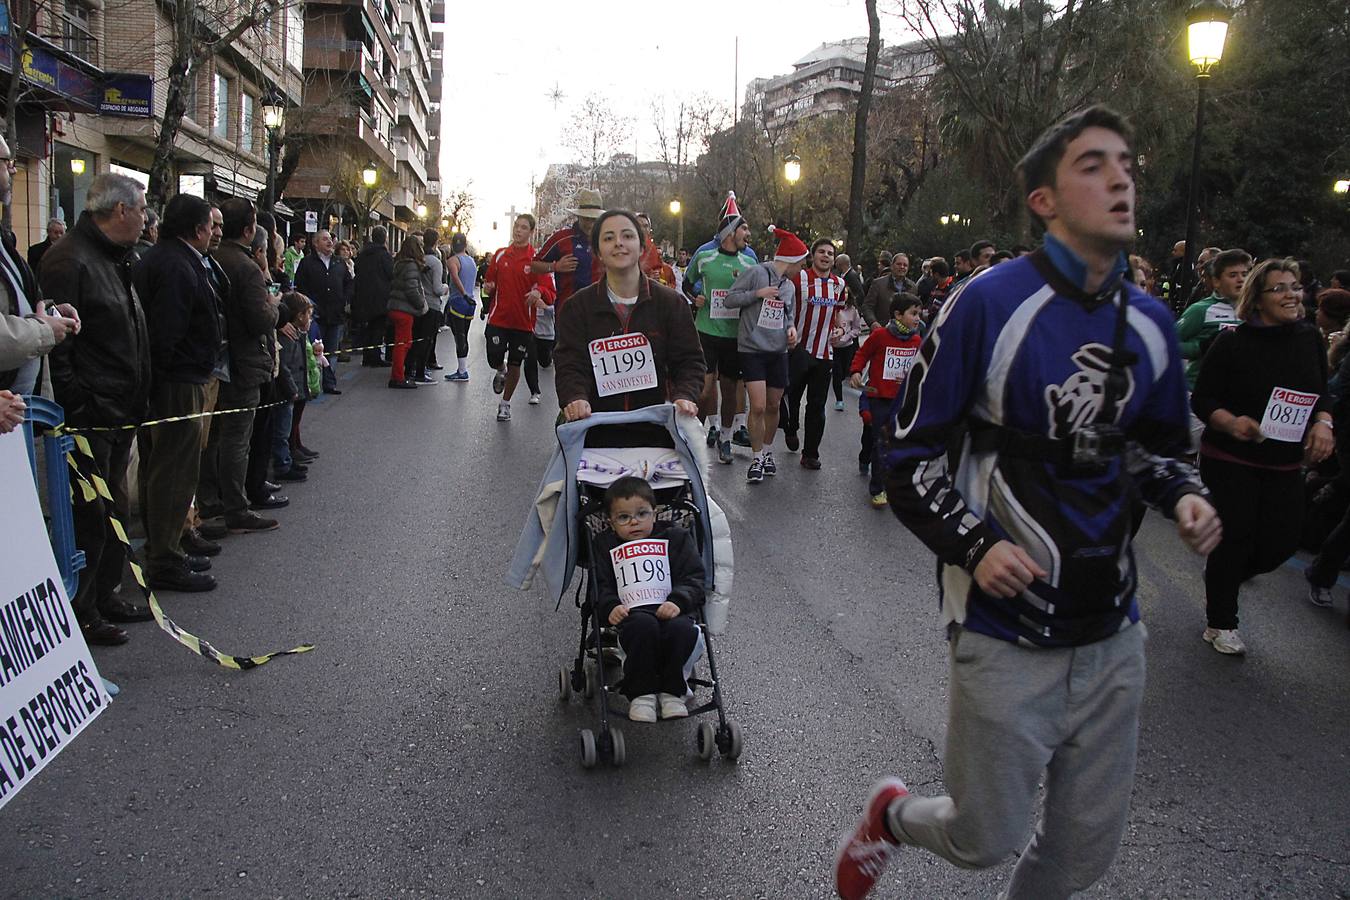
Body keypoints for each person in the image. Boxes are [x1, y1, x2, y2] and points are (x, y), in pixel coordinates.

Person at [834, 105, 1221, 900]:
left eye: (1126, 165)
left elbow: (1158, 448)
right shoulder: (986, 303)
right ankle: (892, 817)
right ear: (1042, 200)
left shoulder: (1148, 322)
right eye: (1093, 166)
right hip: (1001, 621)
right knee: (985, 838)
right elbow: (906, 455)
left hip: (1114, 628)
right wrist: (976, 544)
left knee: (1082, 856)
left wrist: (1184, 494)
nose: (1120, 179)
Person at [1191, 258, 1332, 655]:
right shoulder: (1232, 342)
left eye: (1295, 286)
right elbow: (1204, 399)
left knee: (1281, 543)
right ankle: (1221, 623)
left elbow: (1322, 392)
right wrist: (1233, 423)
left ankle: (1224, 574)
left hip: (1286, 462)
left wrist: (1324, 423)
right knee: (1235, 536)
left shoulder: (1308, 338)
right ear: (1257, 299)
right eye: (1280, 288)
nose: (1291, 295)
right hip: (1231, 457)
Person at [43, 172, 153, 645]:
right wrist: (81, 406)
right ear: (121, 211)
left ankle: (105, 593)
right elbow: (59, 350)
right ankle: (81, 608)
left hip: (120, 408)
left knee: (115, 508)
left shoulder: (114, 258)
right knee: (92, 514)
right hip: (92, 414)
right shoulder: (69, 260)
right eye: (143, 210)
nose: (148, 219)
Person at [131, 192, 225, 594]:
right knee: (172, 470)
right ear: (198, 228)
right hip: (177, 382)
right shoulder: (175, 265)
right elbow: (167, 332)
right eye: (209, 225)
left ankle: (167, 546)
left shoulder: (174, 259)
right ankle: (164, 558)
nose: (212, 233)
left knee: (170, 468)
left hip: (179, 376)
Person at [554, 209, 704, 424]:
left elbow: (690, 361)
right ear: (597, 251)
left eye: (627, 236)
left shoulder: (671, 303)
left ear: (642, 247)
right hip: (595, 432)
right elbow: (569, 363)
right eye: (608, 238)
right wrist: (575, 397)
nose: (618, 243)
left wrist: (685, 396)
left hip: (657, 433)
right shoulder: (577, 307)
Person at [196, 198, 281, 537]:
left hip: (218, 363)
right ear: (249, 231)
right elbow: (261, 318)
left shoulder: (213, 259)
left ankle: (211, 498)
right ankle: (236, 506)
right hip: (242, 362)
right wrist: (276, 307)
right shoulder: (244, 267)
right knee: (235, 438)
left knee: (214, 437)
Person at [592, 476, 705, 723]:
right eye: (624, 518)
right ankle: (641, 693)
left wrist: (678, 600)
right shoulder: (605, 546)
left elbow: (694, 578)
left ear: (655, 514)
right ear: (611, 523)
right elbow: (600, 585)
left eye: (642, 514)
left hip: (674, 609)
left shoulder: (676, 538)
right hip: (633, 613)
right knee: (642, 628)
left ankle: (672, 692)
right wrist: (610, 606)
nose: (634, 522)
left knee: (682, 630)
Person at [723, 225, 806, 483]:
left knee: (773, 405)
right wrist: (757, 294)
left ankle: (768, 452)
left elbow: (789, 315)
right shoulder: (755, 273)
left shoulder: (789, 287)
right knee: (757, 406)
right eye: (801, 263)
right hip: (752, 349)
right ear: (791, 260)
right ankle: (756, 458)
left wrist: (791, 329)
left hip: (778, 351)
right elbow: (730, 299)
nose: (802, 269)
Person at [0, 134, 78, 398]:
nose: (13, 168)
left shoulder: (3, 239)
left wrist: (49, 312)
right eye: (6, 161)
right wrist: (42, 331)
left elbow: (11, 304)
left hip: (19, 411)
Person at [682, 192, 756, 464]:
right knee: (702, 389)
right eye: (744, 228)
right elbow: (686, 284)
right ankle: (694, 436)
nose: (748, 233)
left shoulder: (750, 261)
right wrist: (695, 298)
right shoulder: (705, 255)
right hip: (706, 332)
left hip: (734, 336)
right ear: (730, 231)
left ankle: (726, 437)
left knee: (729, 390)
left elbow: (757, 293)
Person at [849, 294, 923, 507]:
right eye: (913, 313)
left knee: (898, 443)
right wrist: (855, 371)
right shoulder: (880, 335)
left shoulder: (917, 340)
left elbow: (920, 368)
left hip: (902, 401)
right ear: (898, 315)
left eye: (919, 314)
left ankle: (895, 483)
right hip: (878, 397)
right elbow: (862, 354)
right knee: (880, 442)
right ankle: (878, 488)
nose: (918, 318)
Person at [1176, 248, 1250, 449]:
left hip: (1239, 396)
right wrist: (1201, 347)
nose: (1240, 280)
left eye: (1245, 274)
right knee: (1193, 450)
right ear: (1216, 281)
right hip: (1198, 391)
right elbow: (1168, 344)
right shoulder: (1201, 310)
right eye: (1232, 275)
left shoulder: (1256, 310)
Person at [782, 237, 846, 469]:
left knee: (817, 406)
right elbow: (784, 305)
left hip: (824, 352)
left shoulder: (838, 284)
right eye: (822, 251)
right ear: (813, 255)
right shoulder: (799, 278)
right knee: (790, 396)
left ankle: (810, 454)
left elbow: (838, 314)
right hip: (798, 349)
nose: (826, 256)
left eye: (830, 253)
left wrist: (839, 329)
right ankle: (790, 428)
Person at [484, 213, 552, 420]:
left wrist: (538, 291)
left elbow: (549, 290)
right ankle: (500, 368)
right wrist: (489, 287)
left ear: (531, 232)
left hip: (522, 323)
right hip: (498, 318)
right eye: (516, 226)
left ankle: (505, 404)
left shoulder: (536, 260)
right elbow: (489, 284)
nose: (518, 230)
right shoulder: (500, 255)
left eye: (523, 227)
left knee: (517, 364)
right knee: (493, 356)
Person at [294, 229, 351, 395]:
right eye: (324, 239)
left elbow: (349, 283)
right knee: (314, 350)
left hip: (335, 313)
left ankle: (329, 383)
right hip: (315, 315)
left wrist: (345, 299)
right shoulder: (307, 263)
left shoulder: (338, 263)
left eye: (330, 239)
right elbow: (300, 285)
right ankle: (312, 383)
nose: (329, 242)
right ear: (316, 243)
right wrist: (307, 305)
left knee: (332, 351)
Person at [531, 187, 604, 308]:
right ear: (578, 216)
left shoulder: (608, 240)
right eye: (586, 218)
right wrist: (555, 266)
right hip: (568, 311)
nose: (590, 224)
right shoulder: (562, 238)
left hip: (600, 312)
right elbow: (534, 265)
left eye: (594, 219)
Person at [272, 293, 311, 480]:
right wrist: (292, 388)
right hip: (286, 391)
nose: (310, 318)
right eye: (308, 314)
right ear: (299, 315)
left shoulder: (297, 333)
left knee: (286, 426)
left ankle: (288, 457)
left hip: (293, 387)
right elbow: (284, 366)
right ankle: (282, 464)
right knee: (281, 429)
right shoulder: (286, 337)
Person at [386, 233, 428, 389]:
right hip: (404, 309)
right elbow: (411, 289)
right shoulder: (411, 265)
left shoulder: (399, 263)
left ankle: (398, 375)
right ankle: (398, 377)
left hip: (396, 306)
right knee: (403, 344)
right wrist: (420, 304)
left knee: (401, 342)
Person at [408, 229, 448, 384]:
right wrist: (445, 288)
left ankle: (410, 369)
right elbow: (437, 288)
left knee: (416, 338)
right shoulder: (435, 262)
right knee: (427, 340)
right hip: (431, 305)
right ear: (436, 241)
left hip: (418, 304)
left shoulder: (418, 259)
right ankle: (420, 372)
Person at [353, 226, 395, 367]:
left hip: (364, 296)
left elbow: (356, 269)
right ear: (385, 239)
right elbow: (391, 274)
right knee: (378, 328)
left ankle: (367, 356)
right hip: (380, 297)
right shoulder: (384, 255)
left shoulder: (363, 254)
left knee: (368, 328)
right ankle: (375, 357)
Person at [443, 232, 477, 382]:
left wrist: (462, 294)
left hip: (459, 301)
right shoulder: (471, 261)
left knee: (459, 336)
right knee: (464, 335)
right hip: (470, 302)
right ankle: (462, 368)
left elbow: (455, 278)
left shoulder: (452, 261)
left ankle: (462, 371)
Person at [860, 252, 915, 331]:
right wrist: (873, 322)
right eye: (899, 264)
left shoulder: (913, 287)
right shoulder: (878, 284)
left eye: (905, 265)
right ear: (892, 266)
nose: (902, 267)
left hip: (905, 334)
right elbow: (867, 306)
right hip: (882, 331)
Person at [830, 288, 863, 410]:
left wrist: (847, 336)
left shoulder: (852, 310)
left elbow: (856, 328)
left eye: (847, 293)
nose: (844, 295)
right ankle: (839, 400)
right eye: (842, 292)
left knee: (844, 372)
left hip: (847, 346)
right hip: (833, 347)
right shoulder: (831, 307)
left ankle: (842, 377)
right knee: (837, 373)